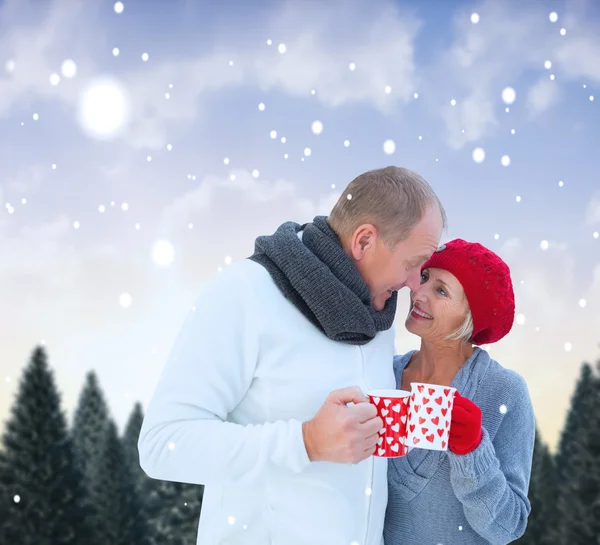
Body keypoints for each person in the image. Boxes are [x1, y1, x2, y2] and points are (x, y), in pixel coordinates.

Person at [138, 166, 446, 545]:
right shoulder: (244, 294)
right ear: (364, 241)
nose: (415, 284)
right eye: (413, 264)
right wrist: (305, 442)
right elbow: (163, 444)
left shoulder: (376, 317)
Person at [384, 238, 535, 545]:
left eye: (441, 291)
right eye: (424, 278)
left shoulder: (504, 391)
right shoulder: (385, 373)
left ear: (470, 317)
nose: (419, 293)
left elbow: (507, 527)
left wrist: (473, 451)